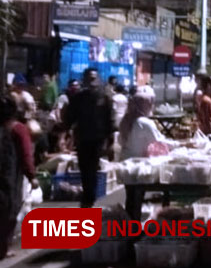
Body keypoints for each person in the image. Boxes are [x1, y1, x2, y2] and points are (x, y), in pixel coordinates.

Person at [63, 68, 114, 208]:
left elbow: (110, 120)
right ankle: (88, 196)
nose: (91, 81)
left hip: (98, 139)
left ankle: (89, 198)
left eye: (93, 78)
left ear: (98, 79)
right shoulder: (78, 98)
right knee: (85, 169)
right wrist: (66, 132)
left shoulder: (104, 97)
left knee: (93, 168)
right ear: (84, 80)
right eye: (88, 78)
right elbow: (70, 117)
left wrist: (110, 142)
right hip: (83, 138)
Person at [1, 96, 38, 259]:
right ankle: (2, 248)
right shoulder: (18, 129)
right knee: (9, 211)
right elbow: (26, 154)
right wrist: (32, 176)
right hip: (9, 176)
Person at [119, 86, 178, 159]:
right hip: (136, 162)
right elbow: (159, 142)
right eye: (150, 103)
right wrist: (181, 144)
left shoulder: (125, 120)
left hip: (124, 159)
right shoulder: (144, 123)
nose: (152, 106)